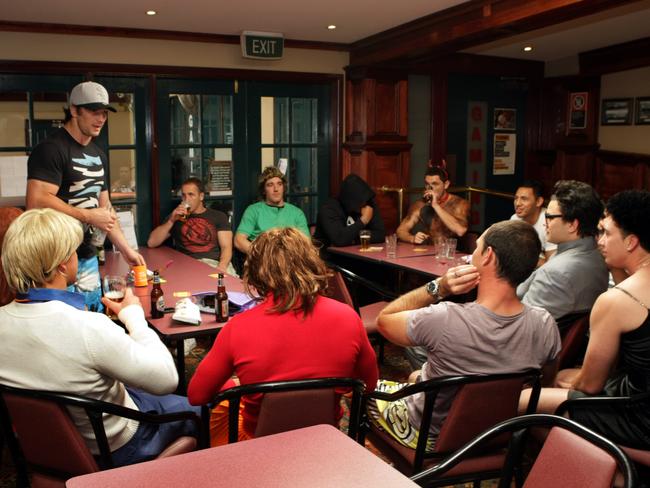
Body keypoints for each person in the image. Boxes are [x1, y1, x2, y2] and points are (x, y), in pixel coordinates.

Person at [0, 208, 200, 466]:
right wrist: (133, 316)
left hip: (44, 449)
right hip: (116, 448)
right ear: (62, 265)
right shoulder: (87, 326)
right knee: (199, 409)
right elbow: (167, 379)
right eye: (73, 251)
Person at [371, 220, 560, 450]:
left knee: (367, 389)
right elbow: (546, 378)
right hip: (494, 434)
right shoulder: (545, 323)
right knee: (416, 378)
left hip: (430, 438)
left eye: (477, 247)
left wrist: (440, 287)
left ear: (488, 255)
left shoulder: (445, 318)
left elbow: (384, 321)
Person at [188, 227, 379, 446]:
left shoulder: (238, 327)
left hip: (257, 447)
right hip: (325, 443)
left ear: (258, 271)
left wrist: (235, 386)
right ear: (311, 262)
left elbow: (197, 396)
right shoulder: (348, 317)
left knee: (225, 404)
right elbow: (369, 384)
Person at [524, 190, 650, 450]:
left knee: (523, 402)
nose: (599, 241)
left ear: (631, 242)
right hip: (636, 398)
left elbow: (591, 385)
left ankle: (609, 473)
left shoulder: (617, 300)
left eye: (605, 232)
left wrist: (575, 381)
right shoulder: (628, 291)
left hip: (639, 420)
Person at [26, 81, 144, 311]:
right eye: (93, 111)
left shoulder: (99, 154)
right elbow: (37, 200)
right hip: (54, 259)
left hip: (86, 254)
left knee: (91, 315)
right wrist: (89, 216)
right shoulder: (51, 149)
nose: (100, 118)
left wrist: (128, 250)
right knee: (61, 320)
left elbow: (105, 209)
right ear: (74, 110)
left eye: (103, 113)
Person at [517, 180, 608, 320]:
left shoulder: (554, 274)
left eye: (549, 217)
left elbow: (524, 324)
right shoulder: (600, 256)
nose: (544, 223)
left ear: (572, 225)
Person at [147, 177, 236, 276]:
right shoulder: (176, 216)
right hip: (187, 264)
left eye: (191, 195)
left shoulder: (218, 216)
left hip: (213, 262)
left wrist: (222, 266)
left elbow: (226, 247)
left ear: (201, 196)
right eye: (184, 195)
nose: (187, 199)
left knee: (229, 284)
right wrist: (171, 220)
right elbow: (152, 242)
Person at [234, 166, 310, 254]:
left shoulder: (297, 213)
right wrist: (262, 256)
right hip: (262, 260)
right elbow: (238, 241)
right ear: (263, 190)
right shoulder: (254, 210)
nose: (276, 189)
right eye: (270, 185)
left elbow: (306, 243)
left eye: (279, 184)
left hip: (291, 259)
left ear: (283, 187)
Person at [396, 163, 469, 245]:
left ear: (446, 184)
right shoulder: (420, 205)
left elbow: (461, 231)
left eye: (435, 184)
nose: (430, 188)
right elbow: (400, 231)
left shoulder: (459, 203)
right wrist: (412, 238)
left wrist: (435, 205)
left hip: (454, 253)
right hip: (429, 252)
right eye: (427, 184)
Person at [314, 173, 385, 247]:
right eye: (359, 202)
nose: (363, 205)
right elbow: (339, 239)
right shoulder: (329, 209)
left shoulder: (368, 204)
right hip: (329, 255)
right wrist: (363, 221)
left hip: (357, 254)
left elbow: (380, 235)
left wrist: (351, 239)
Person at [510, 180, 557, 264]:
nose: (517, 203)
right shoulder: (515, 219)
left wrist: (523, 257)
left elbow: (551, 265)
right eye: (516, 198)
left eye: (524, 199)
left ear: (538, 202)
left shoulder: (550, 221)